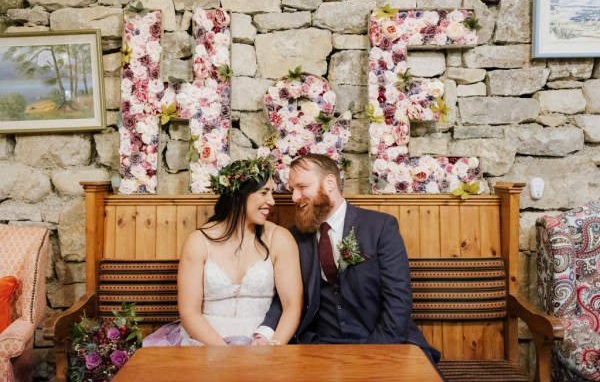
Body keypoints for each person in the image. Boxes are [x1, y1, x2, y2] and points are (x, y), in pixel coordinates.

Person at [253, 154, 440, 364]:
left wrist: (373, 354)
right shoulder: (295, 237)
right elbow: (286, 297)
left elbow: (398, 299)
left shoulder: (380, 227)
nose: (295, 197)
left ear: (330, 183)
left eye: (302, 187)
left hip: (385, 340)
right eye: (292, 190)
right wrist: (264, 333)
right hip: (321, 346)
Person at [143, 157, 302, 346]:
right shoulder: (199, 242)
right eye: (264, 193)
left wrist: (274, 346)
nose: (272, 201)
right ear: (240, 194)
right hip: (206, 342)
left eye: (272, 193)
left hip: (263, 343)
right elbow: (189, 312)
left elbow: (292, 306)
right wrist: (223, 352)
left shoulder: (280, 239)